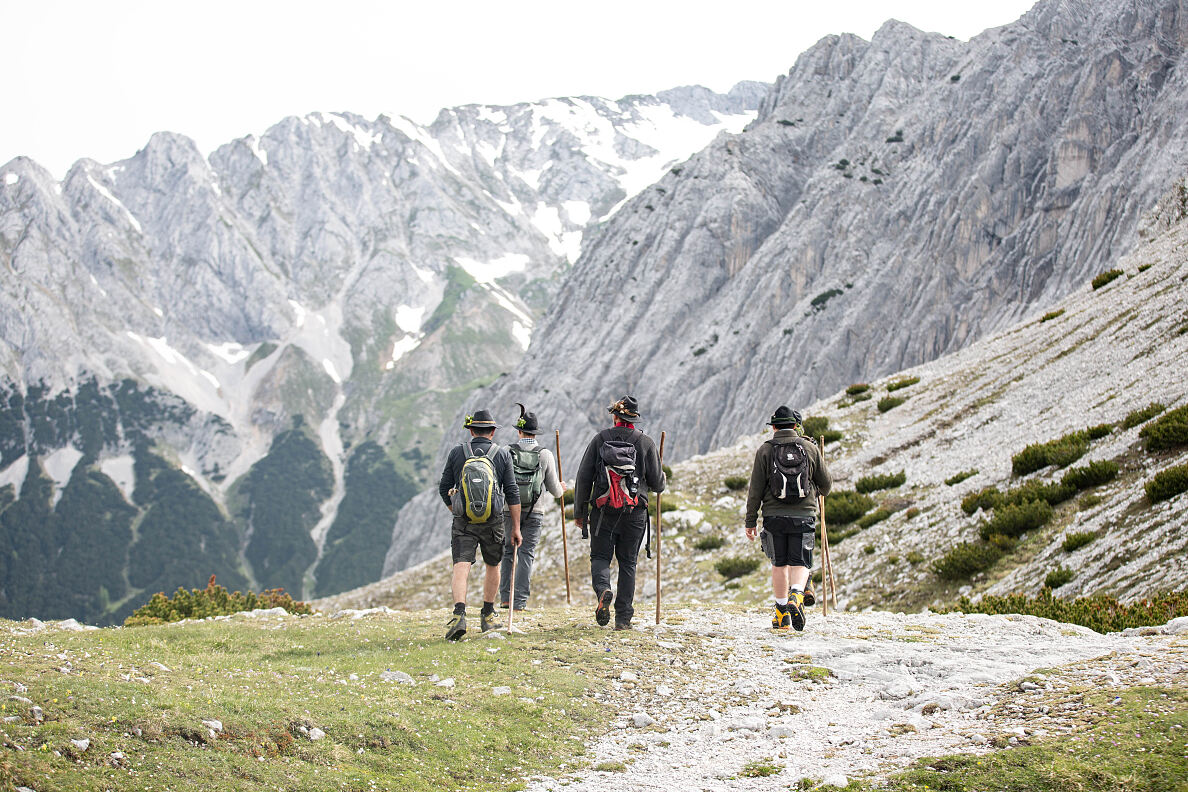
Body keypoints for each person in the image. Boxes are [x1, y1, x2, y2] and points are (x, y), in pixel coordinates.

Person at [573, 396, 665, 631]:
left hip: (604, 512)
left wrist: (580, 512)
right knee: (628, 564)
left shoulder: (600, 440)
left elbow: (584, 477)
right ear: (634, 419)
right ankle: (623, 619)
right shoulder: (645, 443)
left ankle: (603, 590)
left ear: (615, 417)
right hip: (635, 514)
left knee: (600, 557)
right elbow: (657, 484)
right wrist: (660, 474)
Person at [744, 406, 832, 632]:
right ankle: (797, 595)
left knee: (779, 563)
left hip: (773, 516)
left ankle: (782, 614)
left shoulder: (765, 450)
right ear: (795, 426)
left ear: (773, 427)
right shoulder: (810, 448)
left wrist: (751, 521)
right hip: (803, 516)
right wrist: (815, 491)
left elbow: (755, 489)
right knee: (800, 561)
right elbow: (827, 485)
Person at [438, 409, 522, 640]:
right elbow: (512, 492)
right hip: (492, 520)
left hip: (463, 521)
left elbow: (443, 486)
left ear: (471, 430)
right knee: (493, 565)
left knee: (461, 565)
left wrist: (456, 510)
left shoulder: (457, 453)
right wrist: (515, 527)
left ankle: (459, 614)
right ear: (492, 432)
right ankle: (487, 615)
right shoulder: (502, 454)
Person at [499, 403, 565, 611]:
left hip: (509, 510)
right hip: (535, 512)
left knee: (508, 553)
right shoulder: (545, 454)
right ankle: (519, 602)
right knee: (526, 554)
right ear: (535, 433)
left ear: (519, 431)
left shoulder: (506, 452)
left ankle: (504, 599)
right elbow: (555, 491)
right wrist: (562, 488)